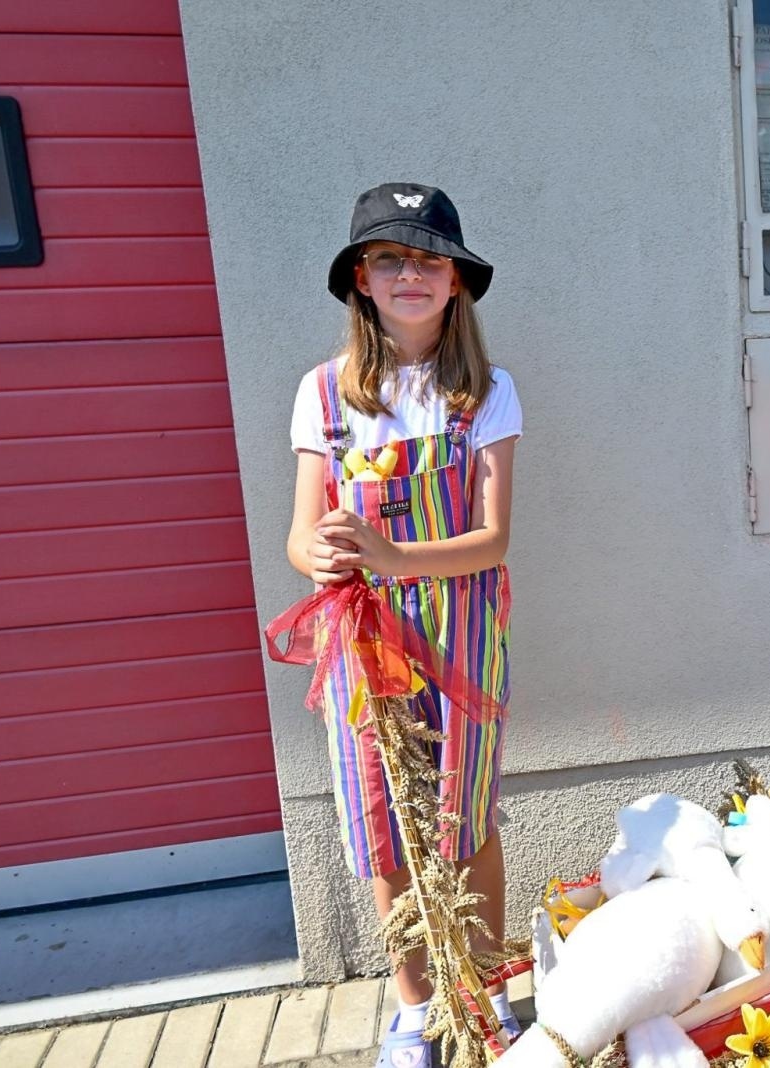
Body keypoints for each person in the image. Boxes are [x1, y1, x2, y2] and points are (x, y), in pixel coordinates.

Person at [286, 183, 522, 1068]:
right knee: (385, 822)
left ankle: (486, 990)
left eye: (429, 259)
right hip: (364, 639)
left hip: (464, 633)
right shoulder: (324, 394)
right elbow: (299, 533)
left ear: (457, 283)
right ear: (361, 279)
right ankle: (416, 1008)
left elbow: (493, 540)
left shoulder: (487, 394)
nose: (411, 274)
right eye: (391, 258)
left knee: (468, 816)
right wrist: (323, 559)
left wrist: (392, 555)